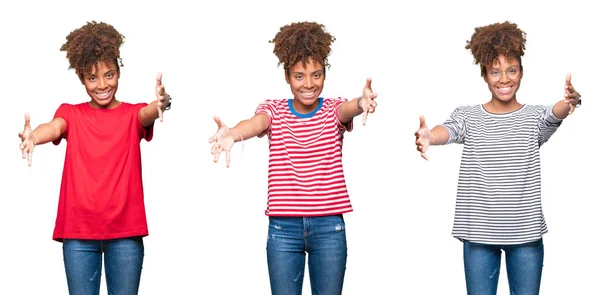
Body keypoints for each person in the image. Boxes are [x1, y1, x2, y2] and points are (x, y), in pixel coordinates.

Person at [208, 21, 378, 295]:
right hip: (283, 229)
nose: (308, 84)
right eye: (299, 76)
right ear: (287, 76)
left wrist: (361, 102)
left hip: (329, 227)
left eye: (316, 75)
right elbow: (255, 123)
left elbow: (349, 109)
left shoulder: (332, 109)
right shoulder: (274, 110)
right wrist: (233, 134)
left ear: (325, 74)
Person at [414, 21, 581, 294]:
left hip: (525, 236)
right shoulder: (469, 115)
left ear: (522, 72)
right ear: (484, 75)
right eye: (495, 72)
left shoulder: (533, 118)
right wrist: (429, 137)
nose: (504, 79)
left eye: (511, 70)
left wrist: (572, 100)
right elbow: (448, 131)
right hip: (479, 235)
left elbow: (557, 111)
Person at [18, 21, 171, 295]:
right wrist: (34, 137)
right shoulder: (71, 114)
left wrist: (162, 103)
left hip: (125, 234)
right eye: (92, 78)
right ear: (82, 79)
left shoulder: (131, 114)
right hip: (78, 235)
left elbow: (147, 113)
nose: (102, 85)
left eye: (109, 75)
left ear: (119, 72)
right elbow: (54, 127)